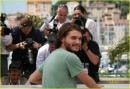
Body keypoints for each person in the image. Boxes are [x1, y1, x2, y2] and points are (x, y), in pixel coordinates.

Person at [26, 23, 103, 88]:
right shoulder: (70, 57)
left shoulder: (52, 55)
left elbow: (33, 78)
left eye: (80, 39)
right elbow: (89, 83)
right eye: (73, 38)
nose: (78, 42)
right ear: (62, 38)